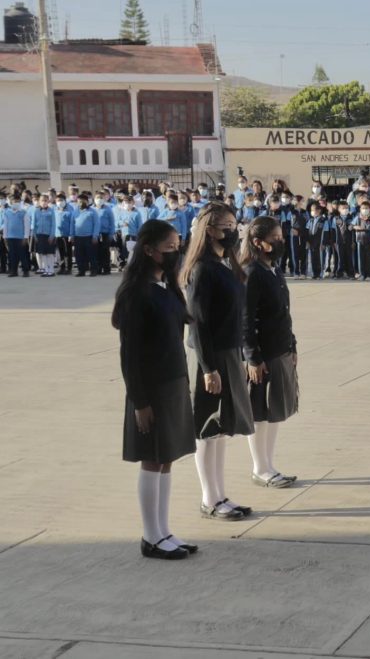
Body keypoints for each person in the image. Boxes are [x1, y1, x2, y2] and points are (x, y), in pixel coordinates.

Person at [113, 219, 197, 560]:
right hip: (151, 388)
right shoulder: (136, 293)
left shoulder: (166, 287)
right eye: (170, 249)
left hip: (174, 382)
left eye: (178, 246)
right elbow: (129, 355)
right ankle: (151, 536)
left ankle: (164, 531)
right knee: (152, 459)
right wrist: (140, 401)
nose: (176, 253)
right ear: (148, 251)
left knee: (167, 459)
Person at [181, 202, 255, 521]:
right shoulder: (202, 269)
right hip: (210, 358)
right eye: (226, 226)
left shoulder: (224, 263)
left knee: (221, 430)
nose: (233, 231)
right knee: (208, 430)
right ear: (208, 230)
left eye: (234, 225)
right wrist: (209, 368)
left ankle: (220, 494)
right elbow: (197, 324)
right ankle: (209, 498)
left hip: (229, 352)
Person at [240, 216, 299, 489]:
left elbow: (283, 314)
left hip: (280, 348)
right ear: (258, 243)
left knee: (275, 411)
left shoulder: (273, 270)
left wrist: (292, 345)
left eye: (281, 237)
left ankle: (269, 464)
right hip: (263, 354)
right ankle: (260, 467)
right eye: (275, 238)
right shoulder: (252, 273)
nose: (280, 242)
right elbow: (245, 319)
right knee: (260, 412)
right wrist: (252, 356)